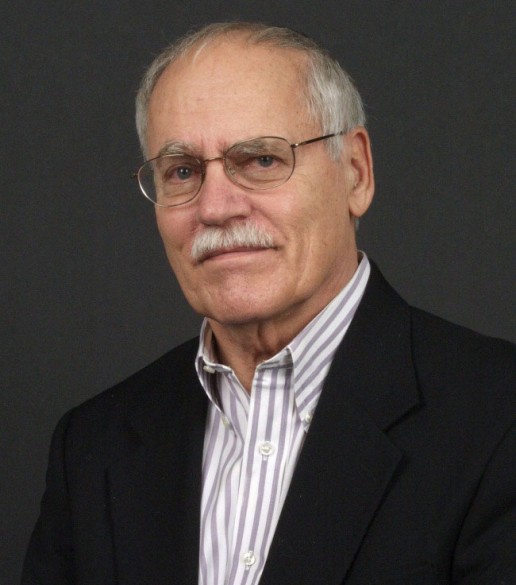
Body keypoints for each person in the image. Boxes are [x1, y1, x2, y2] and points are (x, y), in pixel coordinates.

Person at [22, 22, 515, 585]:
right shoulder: (93, 447)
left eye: (260, 160)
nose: (216, 208)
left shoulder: (498, 417)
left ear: (355, 173)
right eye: (182, 171)